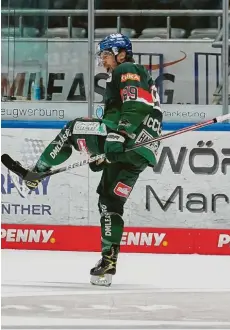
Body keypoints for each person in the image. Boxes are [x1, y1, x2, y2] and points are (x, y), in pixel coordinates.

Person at [25, 33, 163, 286]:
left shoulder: (128, 68)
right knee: (109, 202)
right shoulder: (125, 73)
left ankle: (38, 170)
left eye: (107, 54)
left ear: (122, 53)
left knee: (72, 129)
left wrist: (119, 135)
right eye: (102, 55)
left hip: (127, 138)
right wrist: (102, 152)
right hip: (140, 154)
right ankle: (108, 261)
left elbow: (137, 105)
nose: (103, 60)